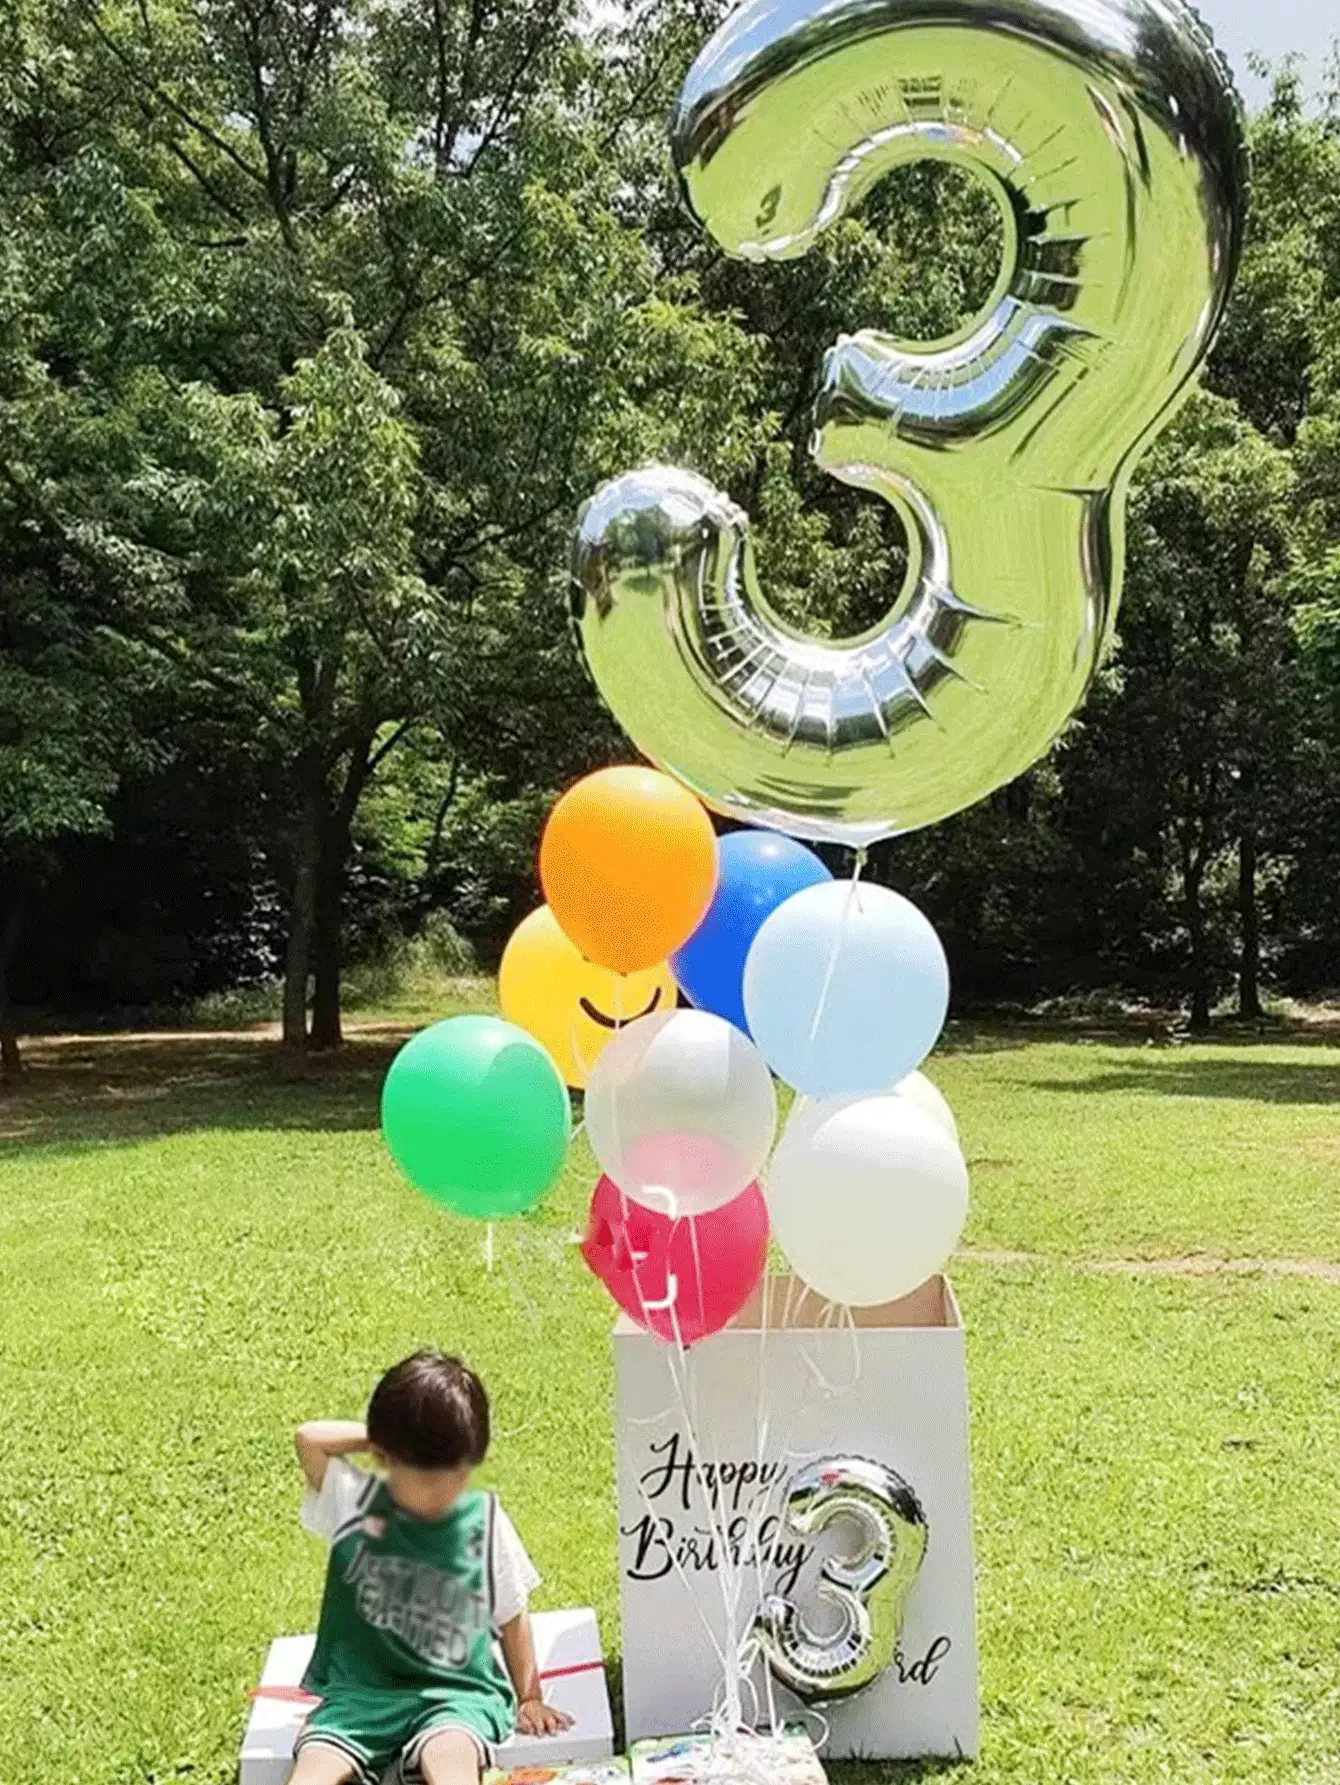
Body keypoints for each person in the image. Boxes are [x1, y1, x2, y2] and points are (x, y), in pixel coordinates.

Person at [290, 1350, 573, 1785]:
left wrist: (529, 1696)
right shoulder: (354, 1501)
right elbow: (309, 1438)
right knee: (314, 1769)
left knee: (451, 1760)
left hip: (455, 1695)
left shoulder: (482, 1520)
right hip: (362, 1695)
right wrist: (384, 1437)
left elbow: (513, 1615)